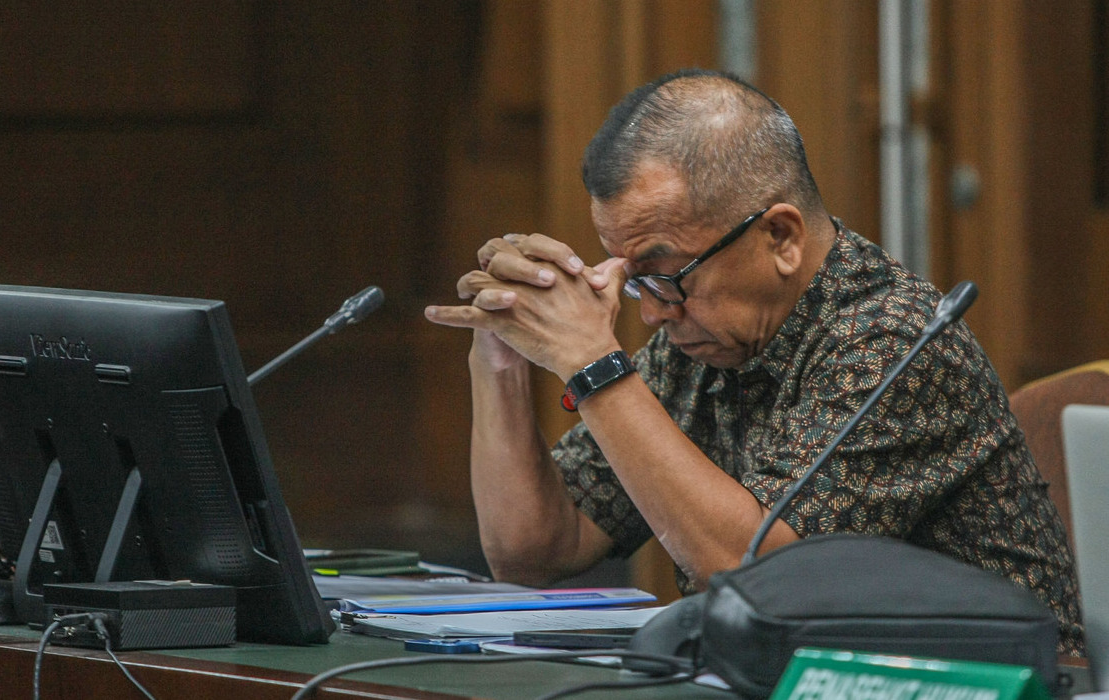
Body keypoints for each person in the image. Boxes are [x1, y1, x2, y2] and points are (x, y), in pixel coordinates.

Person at [424, 69, 1082, 654]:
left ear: (781, 237)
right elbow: (533, 552)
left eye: (667, 274)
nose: (651, 313)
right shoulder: (700, 339)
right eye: (637, 282)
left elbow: (756, 574)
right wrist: (503, 358)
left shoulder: (897, 338)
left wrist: (593, 364)